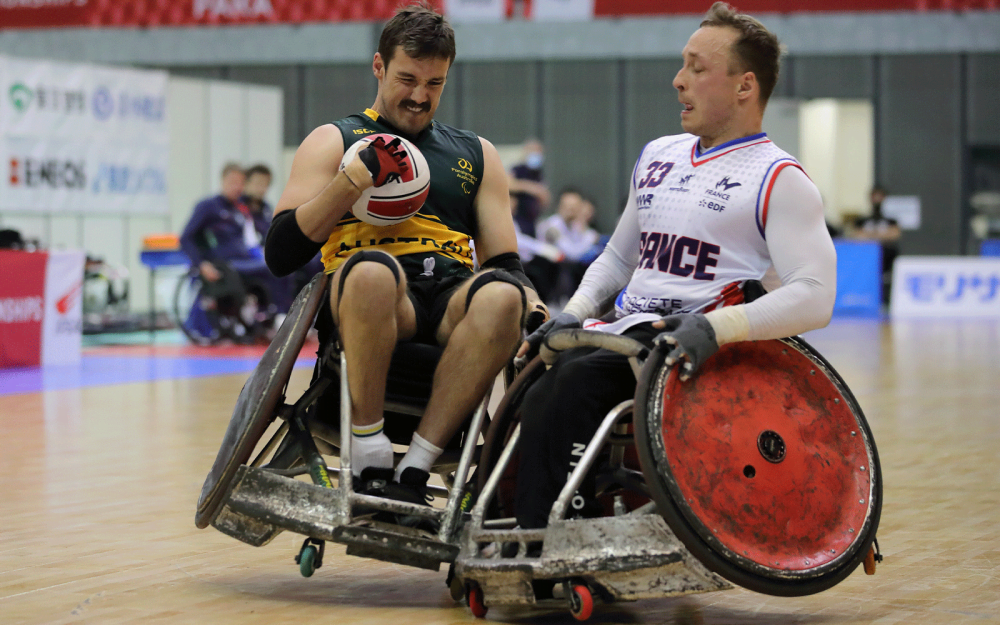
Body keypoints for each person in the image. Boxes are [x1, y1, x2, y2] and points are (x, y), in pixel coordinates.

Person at [513, 1, 837, 537]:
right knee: (527, 370)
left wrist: (717, 326)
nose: (677, 80)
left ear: (744, 87)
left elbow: (816, 295)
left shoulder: (780, 178)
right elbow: (618, 258)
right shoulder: (659, 153)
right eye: (682, 64)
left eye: (697, 67)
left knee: (565, 389)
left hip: (689, 348)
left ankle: (547, 542)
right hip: (622, 330)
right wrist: (572, 313)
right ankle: (507, 520)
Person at [263, 3, 547, 515]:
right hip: (373, 293)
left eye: (434, 83)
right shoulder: (335, 139)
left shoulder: (476, 154)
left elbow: (505, 260)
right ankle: (370, 455)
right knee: (373, 270)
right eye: (407, 78)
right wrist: (350, 182)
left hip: (449, 295)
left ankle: (415, 468)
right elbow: (281, 253)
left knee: (502, 296)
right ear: (378, 66)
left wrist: (533, 304)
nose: (419, 96)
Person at [179, 163, 293, 328]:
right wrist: (200, 264)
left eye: (241, 183)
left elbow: (252, 238)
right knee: (274, 269)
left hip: (247, 260)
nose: (237, 187)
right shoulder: (208, 206)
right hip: (226, 265)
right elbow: (186, 238)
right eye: (233, 182)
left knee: (285, 266)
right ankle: (278, 317)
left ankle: (275, 315)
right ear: (223, 181)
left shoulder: (242, 209)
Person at [850, 185, 900, 303]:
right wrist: (880, 235)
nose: (877, 199)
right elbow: (856, 235)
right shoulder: (862, 220)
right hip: (865, 258)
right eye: (874, 196)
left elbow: (894, 234)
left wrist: (870, 236)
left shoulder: (891, 220)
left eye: (880, 196)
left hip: (886, 255)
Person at [508, 138, 550, 237]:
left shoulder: (538, 174)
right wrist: (532, 188)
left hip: (532, 220)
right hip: (517, 218)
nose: (536, 154)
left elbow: (545, 198)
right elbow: (509, 184)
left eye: (538, 152)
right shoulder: (518, 169)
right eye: (533, 151)